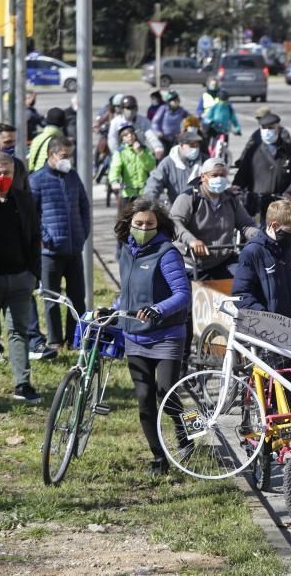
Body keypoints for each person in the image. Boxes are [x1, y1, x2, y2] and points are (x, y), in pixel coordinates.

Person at [112, 199, 191, 474]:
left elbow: (182, 295)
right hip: (135, 335)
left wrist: (158, 310)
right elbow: (128, 292)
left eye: (150, 224)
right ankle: (159, 458)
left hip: (167, 334)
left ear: (159, 225)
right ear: (129, 224)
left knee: (167, 394)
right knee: (145, 398)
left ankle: (188, 435)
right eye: (139, 224)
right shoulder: (125, 250)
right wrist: (113, 309)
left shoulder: (166, 252)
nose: (144, 228)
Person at [0, 154, 42, 401]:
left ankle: (22, 384)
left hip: (20, 278)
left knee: (19, 332)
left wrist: (34, 273)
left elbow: (35, 236)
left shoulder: (24, 200)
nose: (3, 177)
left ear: (14, 174)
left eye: (7, 173)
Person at [29, 136, 90, 358]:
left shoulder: (72, 177)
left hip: (74, 249)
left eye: (70, 156)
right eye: (64, 156)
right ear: (51, 155)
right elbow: (32, 215)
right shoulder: (37, 180)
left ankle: (76, 338)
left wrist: (82, 234)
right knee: (52, 298)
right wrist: (46, 238)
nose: (68, 161)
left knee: (77, 297)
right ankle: (54, 340)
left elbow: (84, 206)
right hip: (50, 253)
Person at [171, 157, 260, 280]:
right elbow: (175, 222)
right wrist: (191, 240)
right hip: (192, 263)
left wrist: (260, 237)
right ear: (203, 177)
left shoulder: (231, 199)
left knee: (247, 280)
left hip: (223, 260)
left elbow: (245, 224)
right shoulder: (189, 197)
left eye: (223, 175)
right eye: (214, 175)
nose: (219, 178)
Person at [232, 199, 291, 320]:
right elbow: (241, 295)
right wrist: (264, 317)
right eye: (289, 231)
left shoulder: (289, 250)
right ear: (274, 226)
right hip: (267, 330)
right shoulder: (252, 252)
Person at [232, 112, 291, 222]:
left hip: (280, 205)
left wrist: (289, 193)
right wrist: (236, 186)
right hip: (257, 204)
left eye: (271, 128)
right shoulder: (253, 151)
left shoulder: (289, 152)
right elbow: (243, 173)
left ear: (278, 129)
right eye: (264, 128)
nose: (267, 131)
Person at [144, 130, 204, 206]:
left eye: (197, 146)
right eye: (192, 146)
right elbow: (154, 183)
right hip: (176, 208)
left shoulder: (205, 161)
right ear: (181, 145)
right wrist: (148, 203)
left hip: (200, 209)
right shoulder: (168, 162)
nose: (195, 149)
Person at [109, 122, 157, 212]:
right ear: (122, 139)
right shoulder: (120, 152)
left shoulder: (144, 149)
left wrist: (140, 152)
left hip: (143, 191)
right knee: (125, 219)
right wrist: (114, 181)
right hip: (128, 192)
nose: (130, 136)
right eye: (125, 135)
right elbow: (115, 168)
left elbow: (150, 166)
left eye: (131, 133)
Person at [27, 108, 66, 173]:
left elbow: (31, 164)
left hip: (34, 177)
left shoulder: (37, 138)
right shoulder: (60, 141)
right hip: (50, 178)